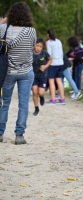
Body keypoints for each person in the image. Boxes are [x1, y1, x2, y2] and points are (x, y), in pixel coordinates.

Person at [0, 2, 36, 145]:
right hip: (26, 72)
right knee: (23, 104)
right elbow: (32, 48)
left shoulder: (3, 29)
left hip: (7, 71)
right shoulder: (31, 31)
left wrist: (5, 19)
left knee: (4, 103)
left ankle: (0, 133)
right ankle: (19, 135)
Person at [31, 38, 52, 116]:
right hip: (33, 76)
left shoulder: (44, 53)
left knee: (41, 92)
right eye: (37, 46)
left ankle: (42, 97)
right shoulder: (31, 53)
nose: (38, 48)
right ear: (34, 45)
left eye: (40, 46)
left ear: (42, 47)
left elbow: (50, 59)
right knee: (35, 92)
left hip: (42, 76)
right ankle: (36, 108)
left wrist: (45, 66)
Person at [45, 28, 65, 105]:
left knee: (51, 81)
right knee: (59, 81)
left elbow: (49, 54)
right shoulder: (59, 41)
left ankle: (53, 99)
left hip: (53, 63)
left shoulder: (49, 42)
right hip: (60, 63)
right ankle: (62, 98)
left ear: (48, 34)